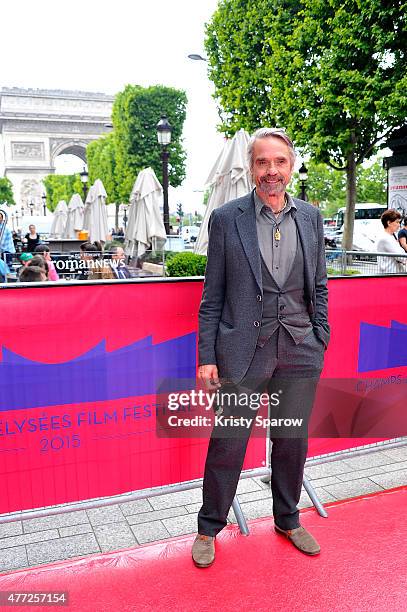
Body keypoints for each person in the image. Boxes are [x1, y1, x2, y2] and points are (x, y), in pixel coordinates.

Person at [192, 127, 330, 568]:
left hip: (299, 347)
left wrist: (319, 337)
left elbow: (320, 286)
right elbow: (212, 296)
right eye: (262, 162)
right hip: (242, 350)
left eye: (280, 162)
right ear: (252, 168)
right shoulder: (227, 218)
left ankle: (288, 518)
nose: (271, 170)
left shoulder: (310, 216)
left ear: (292, 166)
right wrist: (208, 357)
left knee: (291, 439)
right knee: (229, 440)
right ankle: (209, 527)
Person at [376, 209, 407, 274]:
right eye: (397, 222)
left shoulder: (389, 236)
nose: (399, 225)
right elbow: (401, 256)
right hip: (390, 274)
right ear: (389, 223)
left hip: (391, 273)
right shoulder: (385, 238)